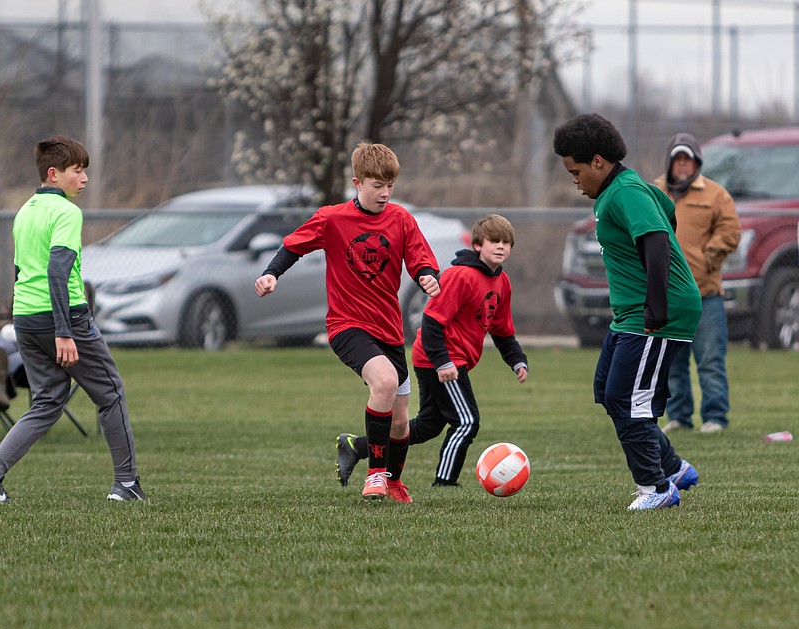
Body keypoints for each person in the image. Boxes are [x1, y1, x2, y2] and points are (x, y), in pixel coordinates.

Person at [255, 142, 440, 502]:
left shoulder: (401, 219)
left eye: (390, 185)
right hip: (347, 325)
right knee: (384, 382)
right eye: (376, 185)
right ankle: (374, 475)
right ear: (357, 183)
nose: (385, 193)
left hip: (389, 329)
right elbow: (293, 246)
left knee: (401, 422)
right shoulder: (332, 218)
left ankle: (394, 481)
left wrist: (428, 276)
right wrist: (270, 274)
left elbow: (420, 259)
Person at [553, 113, 702, 511]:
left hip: (654, 313)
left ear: (598, 162)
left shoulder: (625, 192)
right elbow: (666, 210)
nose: (574, 179)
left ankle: (656, 489)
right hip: (632, 313)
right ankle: (673, 468)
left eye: (576, 171)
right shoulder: (620, 189)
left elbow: (656, 240)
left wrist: (657, 302)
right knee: (607, 390)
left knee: (629, 398)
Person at [0, 135, 146, 505]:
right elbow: (57, 272)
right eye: (77, 171)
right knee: (110, 393)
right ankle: (126, 485)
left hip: (27, 318)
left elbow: (20, 271)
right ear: (54, 173)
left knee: (47, 401)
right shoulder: (66, 212)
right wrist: (65, 332)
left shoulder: (26, 211)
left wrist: (26, 320)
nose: (84, 179)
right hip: (65, 320)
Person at [336, 214, 529, 494]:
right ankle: (445, 481)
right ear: (477, 245)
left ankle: (357, 446)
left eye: (506, 242)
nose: (501, 247)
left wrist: (516, 360)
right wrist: (443, 362)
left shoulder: (502, 282)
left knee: (428, 426)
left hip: (447, 361)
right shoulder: (460, 276)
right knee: (466, 421)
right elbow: (431, 322)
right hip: (440, 360)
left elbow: (501, 330)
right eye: (494, 241)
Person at [654, 134, 741, 434]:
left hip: (706, 294)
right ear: (670, 162)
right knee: (672, 362)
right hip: (668, 296)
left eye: (687, 158)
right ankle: (679, 416)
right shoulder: (653, 191)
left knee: (710, 359)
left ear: (697, 162)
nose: (682, 164)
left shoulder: (716, 194)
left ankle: (715, 417)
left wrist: (708, 258)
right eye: (677, 158)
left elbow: (730, 231)